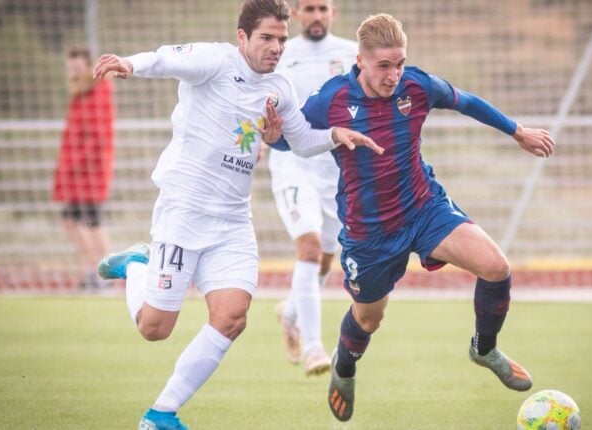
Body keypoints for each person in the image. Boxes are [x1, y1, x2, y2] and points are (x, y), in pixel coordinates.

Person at [91, 1, 381, 428]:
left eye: (281, 39)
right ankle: (138, 264)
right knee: (155, 328)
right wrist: (130, 65)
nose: (276, 47)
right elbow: (165, 58)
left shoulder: (280, 87)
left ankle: (161, 414)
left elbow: (300, 141)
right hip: (184, 209)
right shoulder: (215, 60)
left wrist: (335, 135)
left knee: (231, 317)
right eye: (266, 38)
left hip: (231, 219)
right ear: (242, 36)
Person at [282, 14, 555, 422]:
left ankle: (484, 348)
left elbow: (467, 102)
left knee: (496, 268)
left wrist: (516, 131)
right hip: (369, 233)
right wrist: (269, 134)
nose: (394, 75)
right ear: (360, 61)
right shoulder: (332, 99)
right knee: (368, 319)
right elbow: (292, 138)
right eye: (384, 66)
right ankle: (344, 367)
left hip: (424, 208)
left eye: (400, 63)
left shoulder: (417, 85)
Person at [268, 0, 357, 376]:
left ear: (333, 12)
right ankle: (315, 349)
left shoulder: (352, 54)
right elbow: (262, 101)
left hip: (336, 167)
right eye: (309, 8)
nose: (316, 15)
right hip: (292, 164)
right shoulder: (281, 54)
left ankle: (289, 312)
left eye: (323, 8)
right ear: (297, 14)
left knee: (325, 257)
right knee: (308, 248)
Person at [52, 47, 115, 290]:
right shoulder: (79, 94)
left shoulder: (100, 90)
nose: (74, 73)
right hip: (75, 172)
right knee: (71, 220)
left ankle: (104, 275)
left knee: (91, 222)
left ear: (89, 67)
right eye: (71, 69)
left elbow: (98, 136)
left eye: (79, 68)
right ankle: (93, 269)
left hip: (90, 172)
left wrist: (76, 162)